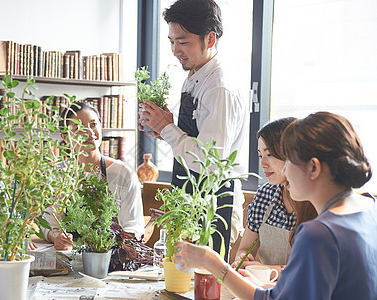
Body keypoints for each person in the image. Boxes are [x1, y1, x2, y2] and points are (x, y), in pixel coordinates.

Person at [173, 111, 377, 299]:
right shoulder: (369, 207)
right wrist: (267, 288)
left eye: (288, 161)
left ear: (313, 167)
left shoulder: (319, 233)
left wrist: (211, 260)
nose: (285, 171)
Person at [138, 0, 248, 260]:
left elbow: (211, 162)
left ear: (209, 39)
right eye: (171, 41)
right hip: (191, 201)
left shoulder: (218, 88)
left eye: (183, 42)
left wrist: (167, 128)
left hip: (214, 206)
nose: (175, 50)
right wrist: (164, 130)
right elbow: (197, 142)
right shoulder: (197, 76)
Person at [43, 102, 145, 250]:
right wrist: (57, 237)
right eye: (79, 128)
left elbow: (133, 227)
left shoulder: (123, 173)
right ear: (65, 137)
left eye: (93, 124)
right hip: (71, 254)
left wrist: (107, 245)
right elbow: (49, 224)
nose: (90, 132)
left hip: (110, 255)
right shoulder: (58, 174)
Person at [232, 118, 317, 276]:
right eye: (259, 156)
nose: (263, 164)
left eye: (269, 154)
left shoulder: (317, 201)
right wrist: (243, 259)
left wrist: (269, 271)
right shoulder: (265, 194)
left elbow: (312, 267)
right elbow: (244, 249)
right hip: (265, 288)